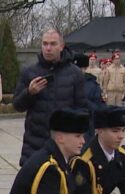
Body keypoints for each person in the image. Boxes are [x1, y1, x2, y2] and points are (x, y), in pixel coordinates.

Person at [12, 29, 86, 164]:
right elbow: (17, 105)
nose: (48, 48)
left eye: (53, 44)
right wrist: (29, 93)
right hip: (35, 144)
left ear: (61, 46)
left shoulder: (75, 74)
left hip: (64, 146)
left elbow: (83, 110)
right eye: (45, 44)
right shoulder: (29, 72)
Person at [73, 52, 105, 140]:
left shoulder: (92, 85)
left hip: (86, 127)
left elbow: (99, 108)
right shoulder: (65, 83)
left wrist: (84, 101)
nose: (77, 71)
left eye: (80, 68)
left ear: (85, 68)